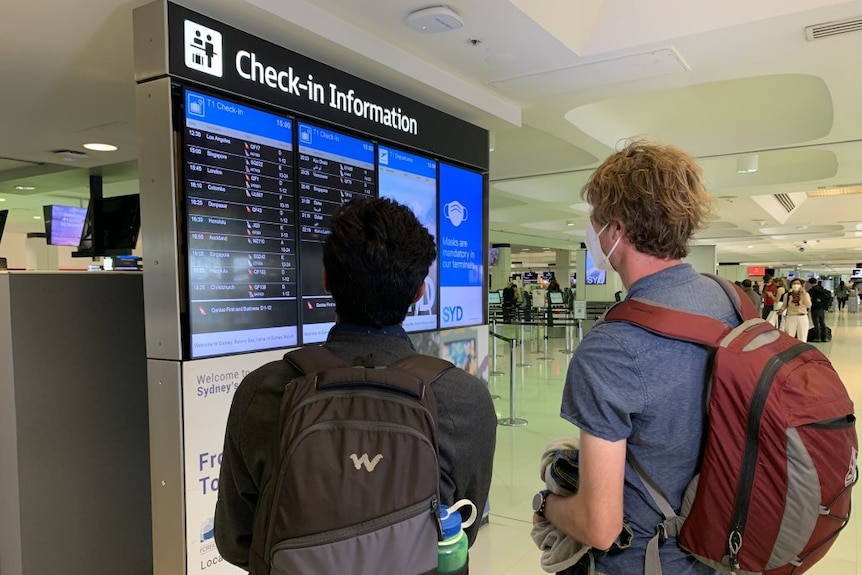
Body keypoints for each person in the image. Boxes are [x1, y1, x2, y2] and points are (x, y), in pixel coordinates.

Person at [214, 197, 497, 569]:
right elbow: (462, 532)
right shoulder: (463, 398)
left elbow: (236, 541)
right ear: (419, 292)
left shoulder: (263, 390)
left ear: (326, 279)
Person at [535, 139, 738, 575]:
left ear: (617, 230)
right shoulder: (731, 299)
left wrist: (547, 505)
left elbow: (600, 526)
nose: (592, 230)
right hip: (726, 547)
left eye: (595, 219)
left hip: (651, 561)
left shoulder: (612, 347)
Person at [780, 278, 813, 342]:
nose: (796, 285)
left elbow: (808, 305)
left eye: (798, 284)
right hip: (790, 317)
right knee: (789, 337)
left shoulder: (805, 294)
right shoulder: (787, 295)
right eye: (794, 284)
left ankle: (802, 351)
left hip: (802, 317)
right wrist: (780, 310)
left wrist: (804, 294)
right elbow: (784, 305)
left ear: (801, 285)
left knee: (802, 337)